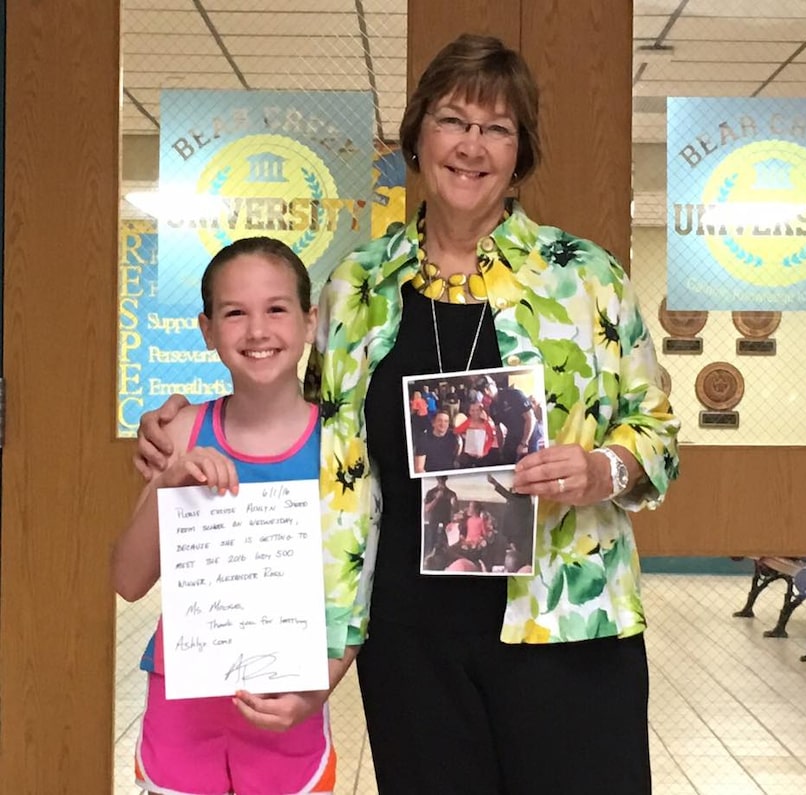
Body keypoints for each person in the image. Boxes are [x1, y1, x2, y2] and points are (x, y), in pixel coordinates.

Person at [135, 34, 680, 795]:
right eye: (455, 119)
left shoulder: (584, 278)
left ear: (520, 153)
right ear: (418, 136)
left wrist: (601, 467)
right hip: (410, 637)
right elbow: (313, 443)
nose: (472, 144)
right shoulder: (357, 287)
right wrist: (179, 421)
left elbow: (656, 433)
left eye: (498, 128)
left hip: (565, 627)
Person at [113, 237, 350, 795]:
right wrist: (168, 487)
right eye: (234, 313)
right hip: (183, 711)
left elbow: (360, 591)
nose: (258, 331)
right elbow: (127, 580)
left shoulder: (343, 448)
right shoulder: (179, 433)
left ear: (310, 321)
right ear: (207, 329)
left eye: (276, 309)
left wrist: (319, 691)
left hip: (288, 704)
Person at [476, 373, 543, 464]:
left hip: (530, 431)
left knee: (533, 461)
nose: (486, 392)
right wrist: (500, 450)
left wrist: (524, 443)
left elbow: (530, 419)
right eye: (483, 391)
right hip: (513, 433)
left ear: (494, 384)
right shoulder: (493, 407)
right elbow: (498, 430)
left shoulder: (514, 394)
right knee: (507, 458)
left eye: (487, 388)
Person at [422, 474, 458, 557]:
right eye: (440, 479)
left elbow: (456, 510)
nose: (441, 481)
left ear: (446, 479)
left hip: (446, 523)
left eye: (443, 479)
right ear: (437, 479)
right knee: (431, 543)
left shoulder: (451, 493)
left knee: (445, 544)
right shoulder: (430, 493)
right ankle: (428, 561)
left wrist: (454, 504)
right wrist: (437, 498)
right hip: (433, 522)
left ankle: (445, 561)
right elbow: (427, 509)